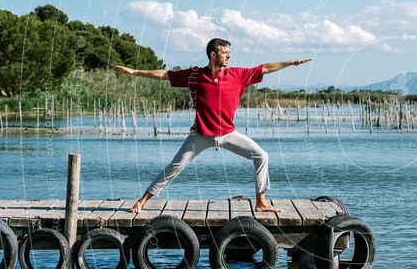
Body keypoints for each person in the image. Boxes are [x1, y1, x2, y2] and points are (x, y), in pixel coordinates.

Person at [111, 38, 312, 214]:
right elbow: (164, 74)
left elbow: (265, 68)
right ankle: (142, 201)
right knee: (175, 166)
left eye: (229, 53)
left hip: (228, 133)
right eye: (225, 53)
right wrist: (134, 71)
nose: (228, 56)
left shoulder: (238, 74)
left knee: (262, 156)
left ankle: (261, 202)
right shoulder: (194, 75)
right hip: (201, 135)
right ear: (213, 54)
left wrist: (291, 63)